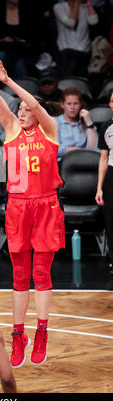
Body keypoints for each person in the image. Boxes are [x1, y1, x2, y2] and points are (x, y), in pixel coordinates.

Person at [0, 57, 65, 368]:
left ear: (37, 111)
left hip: (46, 205)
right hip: (17, 207)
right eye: (19, 108)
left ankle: (41, 332)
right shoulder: (11, 129)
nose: (21, 110)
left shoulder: (50, 130)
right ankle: (19, 335)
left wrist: (9, 82)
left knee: (41, 275)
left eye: (26, 108)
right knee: (20, 277)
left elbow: (34, 103)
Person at [53, 0, 99, 78]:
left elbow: (93, 21)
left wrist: (88, 1)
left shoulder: (85, 8)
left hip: (83, 51)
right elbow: (71, 22)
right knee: (69, 62)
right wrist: (77, 2)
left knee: (74, 63)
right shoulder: (59, 7)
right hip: (65, 51)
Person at [95, 88, 113, 289]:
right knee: (111, 221)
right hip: (112, 175)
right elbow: (103, 158)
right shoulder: (106, 127)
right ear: (110, 104)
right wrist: (99, 188)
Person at [55, 87, 98, 161]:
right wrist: (77, 150)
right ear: (62, 104)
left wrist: (89, 124)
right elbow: (54, 148)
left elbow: (93, 149)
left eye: (76, 103)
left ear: (80, 104)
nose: (72, 107)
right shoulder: (54, 121)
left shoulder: (85, 122)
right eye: (69, 104)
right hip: (62, 163)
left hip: (84, 161)